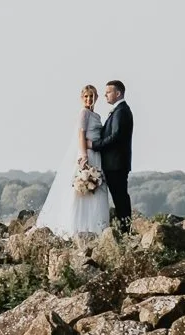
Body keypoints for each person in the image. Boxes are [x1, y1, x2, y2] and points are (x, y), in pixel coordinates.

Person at [38, 84, 113, 237]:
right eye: (86, 96)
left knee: (96, 189)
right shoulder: (83, 113)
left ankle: (96, 227)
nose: (89, 99)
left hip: (96, 156)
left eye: (91, 96)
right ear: (82, 98)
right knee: (81, 191)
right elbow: (81, 135)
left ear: (96, 97)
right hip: (87, 154)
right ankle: (76, 227)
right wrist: (84, 155)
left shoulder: (96, 116)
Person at [91, 79, 135, 226]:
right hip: (114, 163)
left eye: (108, 92)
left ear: (118, 93)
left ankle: (125, 228)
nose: (105, 95)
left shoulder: (121, 111)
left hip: (116, 164)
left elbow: (115, 136)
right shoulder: (118, 110)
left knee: (120, 197)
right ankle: (125, 227)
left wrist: (94, 145)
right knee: (119, 197)